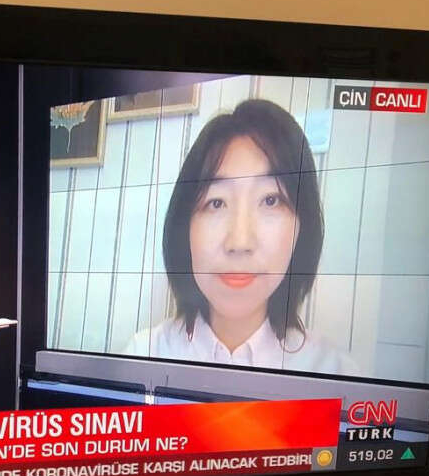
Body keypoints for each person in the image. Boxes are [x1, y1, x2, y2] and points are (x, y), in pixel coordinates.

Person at [125, 99, 357, 375]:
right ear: (183, 228)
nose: (239, 242)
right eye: (216, 203)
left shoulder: (336, 374)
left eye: (270, 200)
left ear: (302, 229)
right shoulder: (142, 356)